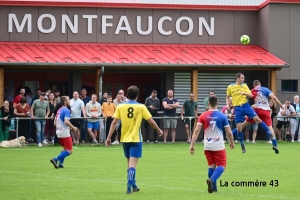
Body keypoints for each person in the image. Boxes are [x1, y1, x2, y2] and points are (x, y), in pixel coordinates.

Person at [105, 85, 163, 194]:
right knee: (133, 165)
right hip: (136, 139)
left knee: (129, 163)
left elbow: (114, 122)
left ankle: (134, 184)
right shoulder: (141, 107)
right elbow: (151, 121)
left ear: (127, 95)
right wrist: (159, 130)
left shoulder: (121, 107)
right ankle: (129, 186)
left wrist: (108, 137)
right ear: (137, 96)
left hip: (124, 139)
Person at [190, 95, 234, 193]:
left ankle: (214, 189)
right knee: (222, 165)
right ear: (217, 103)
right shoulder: (222, 116)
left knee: (211, 166)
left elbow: (196, 131)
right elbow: (229, 132)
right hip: (218, 145)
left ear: (208, 103)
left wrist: (192, 144)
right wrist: (231, 142)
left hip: (207, 145)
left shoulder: (203, 115)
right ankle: (212, 180)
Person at [226, 74, 279, 154]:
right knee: (239, 128)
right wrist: (227, 104)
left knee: (257, 119)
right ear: (237, 78)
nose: (243, 79)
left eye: (244, 78)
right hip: (238, 108)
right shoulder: (230, 87)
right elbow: (227, 96)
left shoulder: (244, 85)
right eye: (242, 78)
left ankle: (269, 134)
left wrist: (245, 93)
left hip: (246, 106)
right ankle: (242, 144)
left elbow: (250, 95)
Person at [50, 96, 78, 169]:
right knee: (70, 151)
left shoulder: (59, 110)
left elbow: (55, 123)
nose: (69, 101)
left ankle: (60, 164)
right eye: (68, 100)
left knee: (64, 149)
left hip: (58, 131)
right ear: (65, 102)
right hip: (64, 133)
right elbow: (66, 121)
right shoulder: (67, 110)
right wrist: (73, 127)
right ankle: (56, 159)